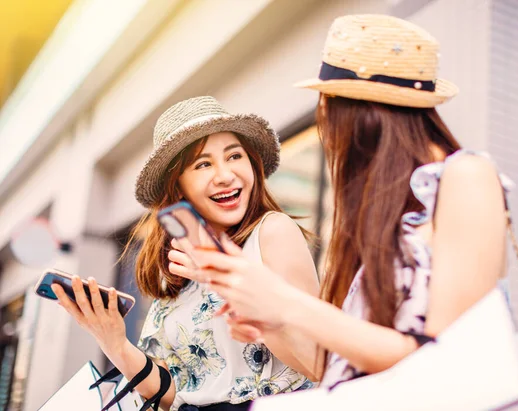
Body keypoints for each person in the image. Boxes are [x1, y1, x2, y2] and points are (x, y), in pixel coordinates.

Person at [180, 14, 513, 387]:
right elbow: (337, 370)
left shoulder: (467, 175)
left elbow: (444, 356)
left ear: (356, 113)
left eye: (326, 109)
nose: (325, 129)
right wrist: (271, 324)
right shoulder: (385, 212)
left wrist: (286, 302)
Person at [51, 96, 319, 411]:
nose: (225, 174)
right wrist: (114, 342)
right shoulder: (178, 265)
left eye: (234, 156)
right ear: (178, 187)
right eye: (203, 164)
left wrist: (225, 286)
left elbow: (315, 359)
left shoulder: (272, 232)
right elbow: (176, 390)